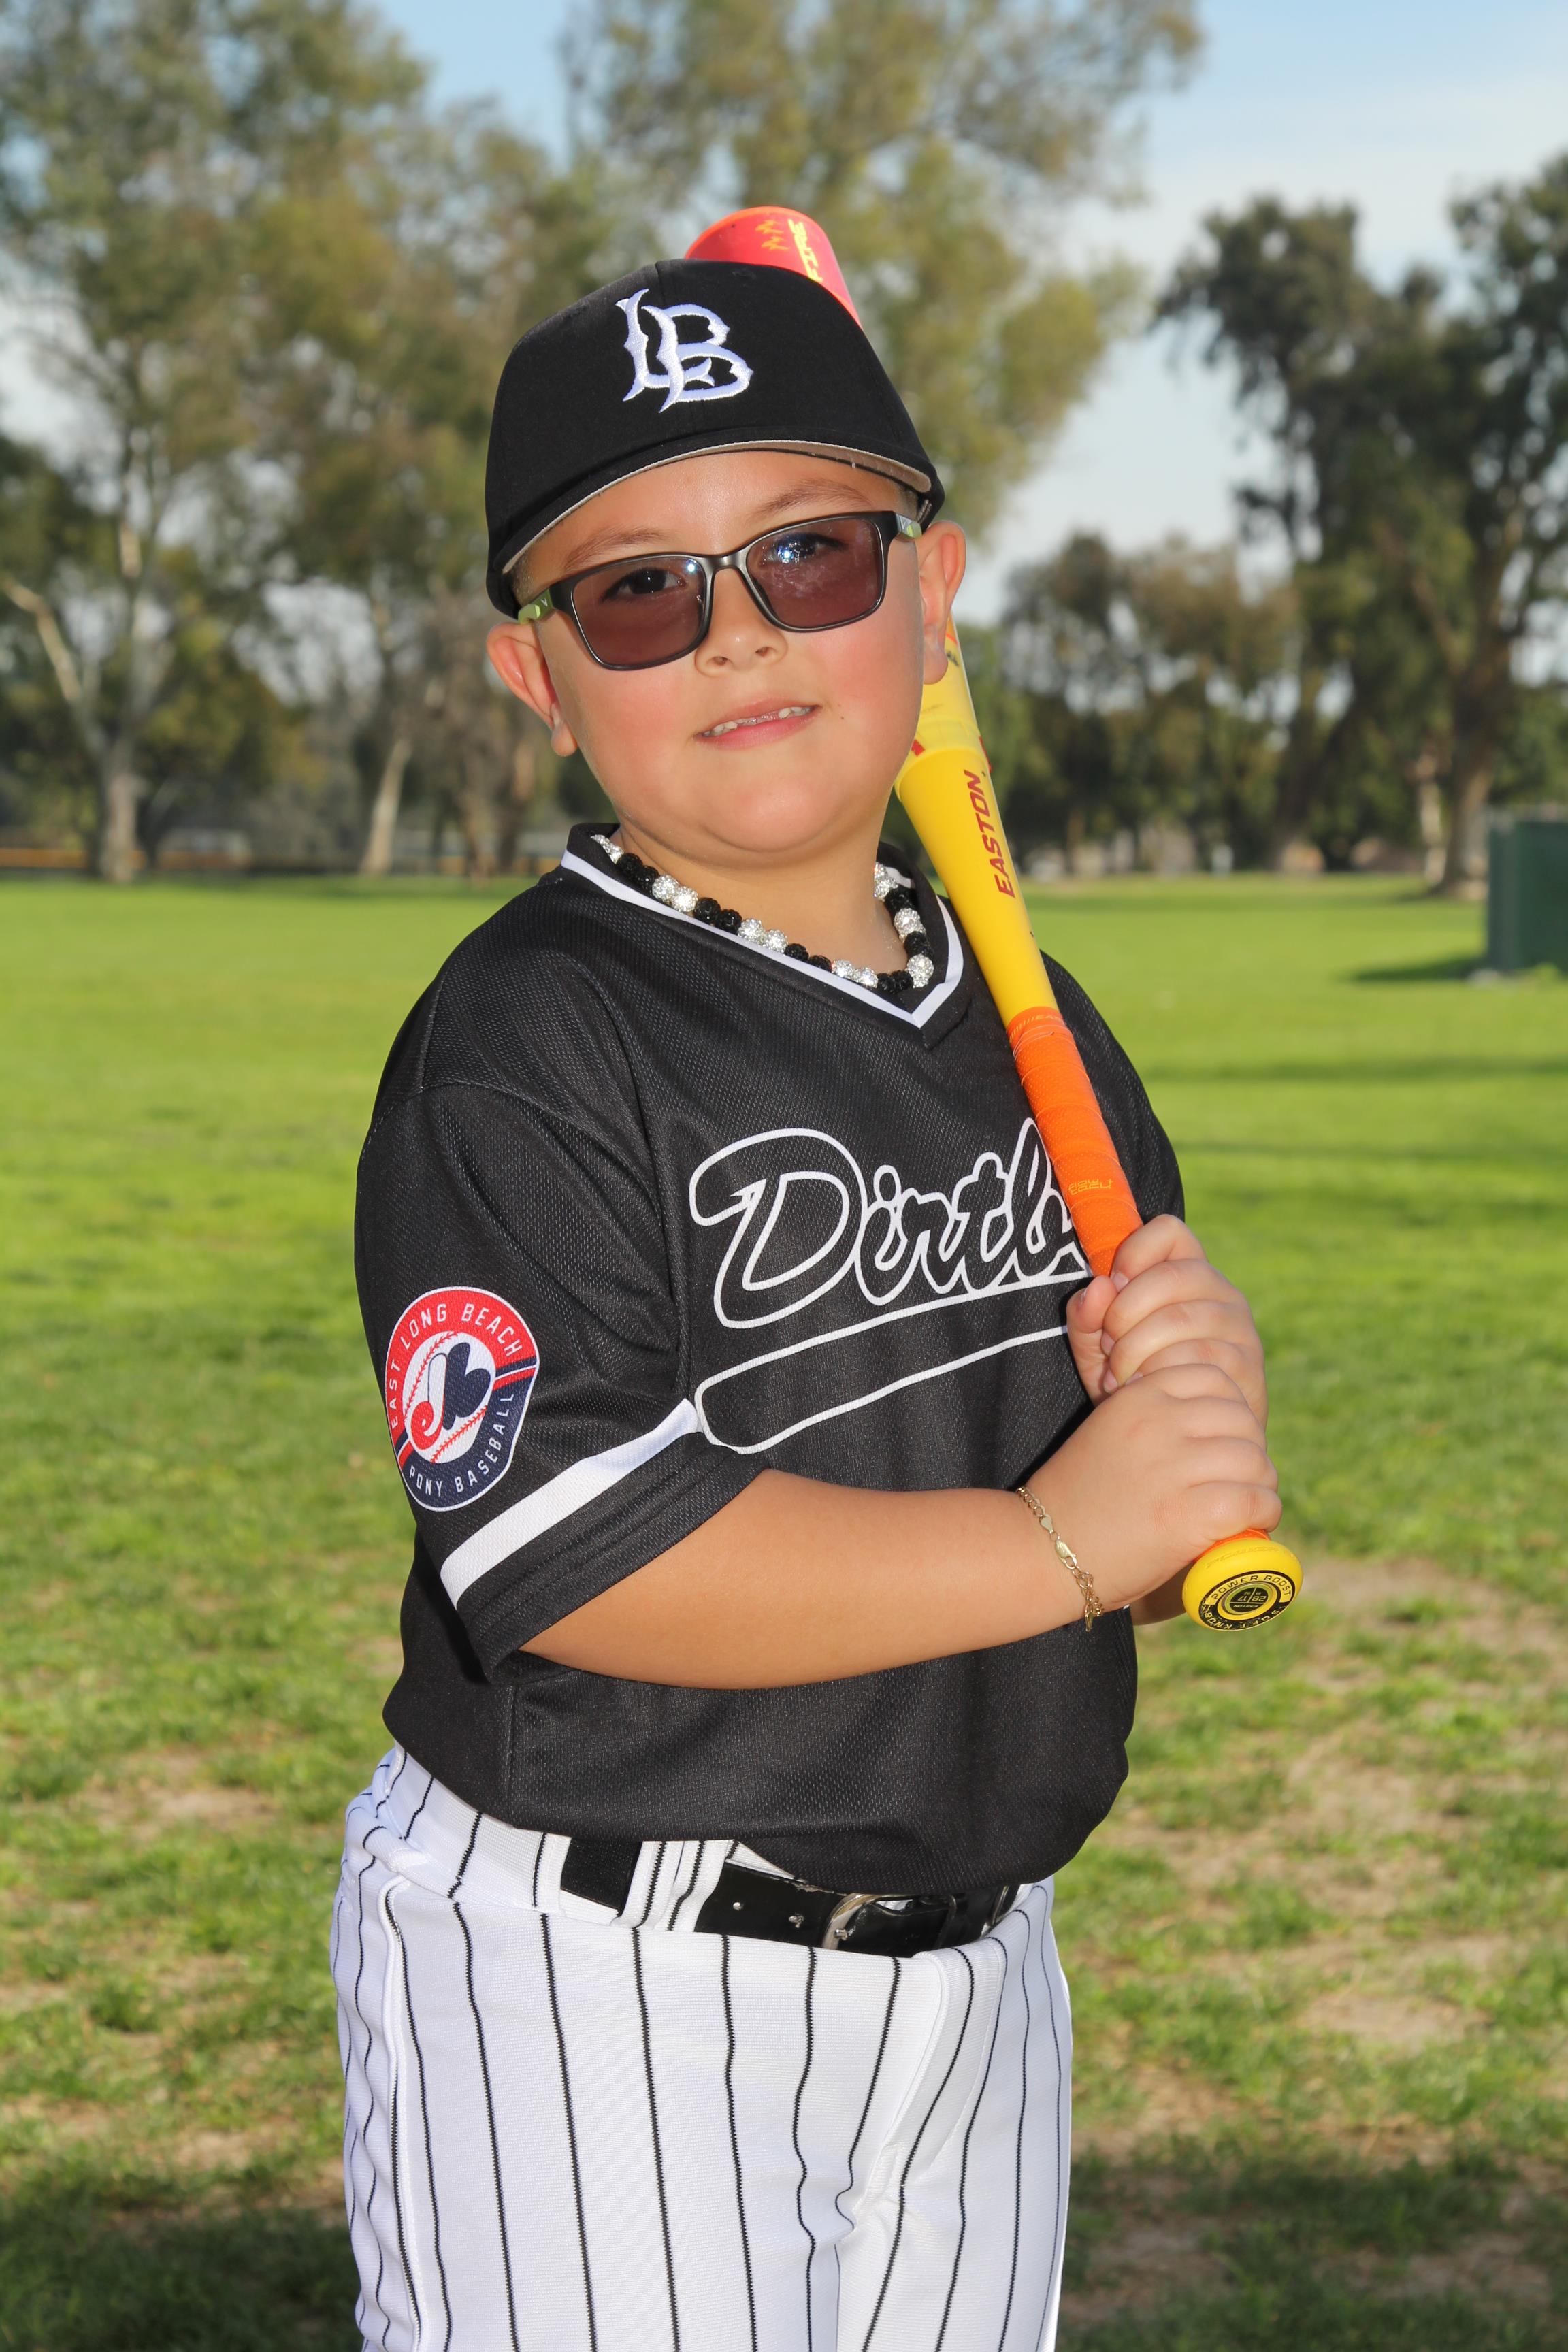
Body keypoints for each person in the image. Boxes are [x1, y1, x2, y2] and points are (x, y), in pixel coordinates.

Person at [335, 257, 1279, 2352]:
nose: (741, 631)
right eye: (639, 594)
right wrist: (1063, 1542)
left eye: (810, 555)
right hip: (602, 1970)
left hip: (981, 1963)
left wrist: (1172, 1438)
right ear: (535, 676)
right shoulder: (531, 1037)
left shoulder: (1033, 1021)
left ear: (932, 597)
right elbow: (570, 1552)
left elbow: (1095, 1509)